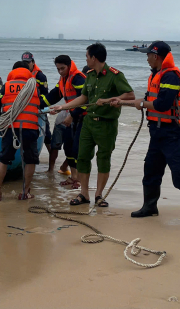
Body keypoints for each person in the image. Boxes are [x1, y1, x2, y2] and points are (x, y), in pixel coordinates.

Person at [111, 41, 180, 229]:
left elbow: (162, 104)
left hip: (173, 133)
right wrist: (121, 102)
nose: (146, 59)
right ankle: (150, 206)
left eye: (148, 55)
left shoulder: (171, 76)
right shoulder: (156, 75)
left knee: (179, 174)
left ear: (156, 56)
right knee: (151, 170)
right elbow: (148, 101)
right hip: (156, 131)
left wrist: (141, 104)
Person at [49, 43, 135, 207]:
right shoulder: (89, 75)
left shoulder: (115, 75)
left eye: (87, 56)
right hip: (88, 124)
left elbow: (130, 95)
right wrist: (63, 107)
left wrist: (109, 100)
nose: (86, 59)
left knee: (103, 159)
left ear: (94, 58)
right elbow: (83, 98)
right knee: (82, 158)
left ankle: (99, 195)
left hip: (106, 125)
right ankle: (84, 194)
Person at [0, 61, 41, 201]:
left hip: (10, 128)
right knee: (30, 160)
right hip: (30, 128)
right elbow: (40, 104)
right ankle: (25, 192)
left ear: (13, 71)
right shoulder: (34, 86)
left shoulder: (6, 86)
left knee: (4, 159)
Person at [46, 55, 87, 186]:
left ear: (69, 66)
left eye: (62, 68)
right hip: (72, 115)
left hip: (83, 117)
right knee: (68, 147)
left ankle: (80, 179)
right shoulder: (64, 78)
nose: (60, 71)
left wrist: (72, 115)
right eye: (58, 69)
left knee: (77, 149)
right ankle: (74, 177)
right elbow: (54, 95)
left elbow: (86, 101)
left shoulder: (77, 77)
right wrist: (39, 104)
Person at [21, 51, 53, 166]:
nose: (26, 64)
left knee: (47, 136)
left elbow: (45, 94)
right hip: (24, 111)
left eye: (28, 62)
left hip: (38, 109)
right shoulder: (21, 74)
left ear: (33, 62)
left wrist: (38, 104)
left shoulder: (40, 76)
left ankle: (52, 163)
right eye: (24, 62)